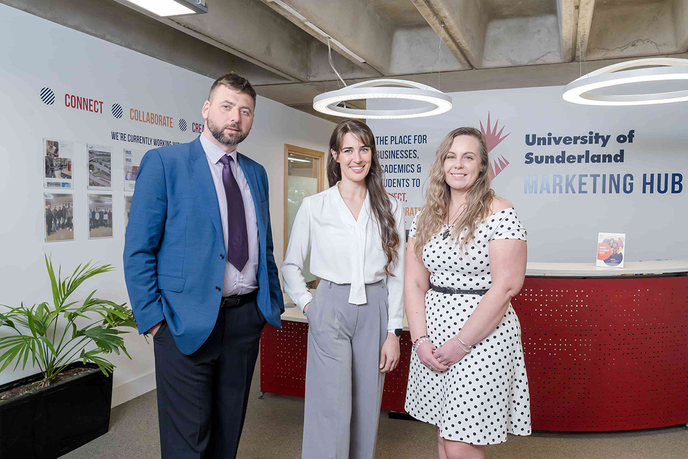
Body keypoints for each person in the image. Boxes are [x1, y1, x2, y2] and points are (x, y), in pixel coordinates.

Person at [123, 72, 283, 459]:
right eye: (227, 106)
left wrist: (269, 306)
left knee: (228, 435)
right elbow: (138, 249)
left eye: (245, 111)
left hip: (244, 322)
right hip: (183, 323)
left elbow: (265, 246)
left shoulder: (256, 173)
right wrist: (156, 320)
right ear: (207, 109)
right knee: (187, 443)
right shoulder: (165, 163)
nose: (236, 117)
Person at [404, 127, 531, 459]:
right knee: (445, 435)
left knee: (461, 441)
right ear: (441, 164)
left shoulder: (499, 211)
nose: (457, 165)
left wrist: (461, 344)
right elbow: (414, 281)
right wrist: (420, 340)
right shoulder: (425, 217)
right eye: (451, 156)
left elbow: (506, 286)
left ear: (481, 166)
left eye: (468, 157)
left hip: (482, 336)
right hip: (433, 335)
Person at [282, 120, 405, 459]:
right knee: (331, 406)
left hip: (375, 307)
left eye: (364, 149)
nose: (357, 157)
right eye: (348, 150)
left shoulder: (390, 207)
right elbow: (290, 265)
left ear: (372, 154)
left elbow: (397, 274)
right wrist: (309, 305)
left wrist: (394, 332)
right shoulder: (315, 206)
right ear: (335, 156)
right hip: (330, 305)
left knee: (367, 404)